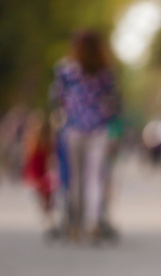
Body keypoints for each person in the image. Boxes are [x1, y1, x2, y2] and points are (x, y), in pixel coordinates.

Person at [51, 29, 121, 241]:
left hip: (73, 129)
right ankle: (92, 223)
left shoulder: (65, 70)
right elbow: (114, 102)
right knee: (94, 179)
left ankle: (75, 224)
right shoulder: (106, 72)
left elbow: (57, 98)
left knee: (75, 180)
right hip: (99, 130)